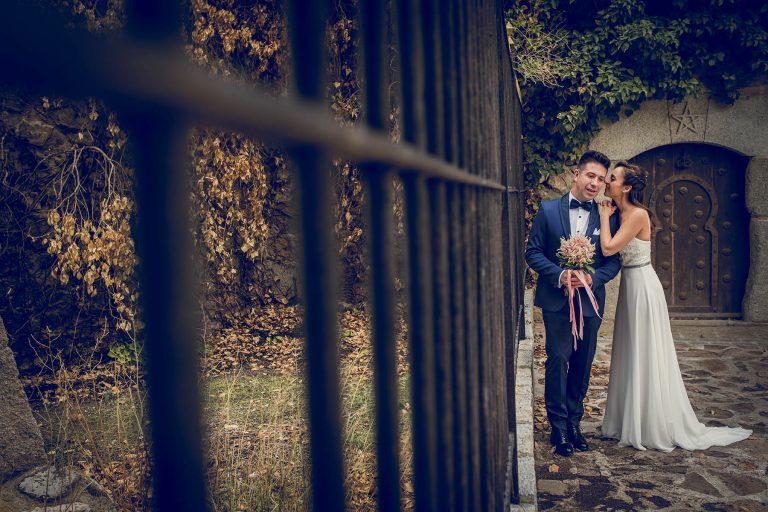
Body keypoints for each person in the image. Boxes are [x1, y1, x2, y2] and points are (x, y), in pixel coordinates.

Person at [597, 162, 752, 451]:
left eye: (613, 178)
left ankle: (649, 423)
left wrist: (604, 216)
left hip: (642, 286)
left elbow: (608, 248)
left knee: (645, 351)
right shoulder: (623, 211)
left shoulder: (636, 214)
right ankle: (626, 419)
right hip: (632, 286)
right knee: (631, 349)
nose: (607, 182)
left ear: (627, 187)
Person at [525, 150, 621, 457]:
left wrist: (593, 280)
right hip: (557, 301)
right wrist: (561, 274)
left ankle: (575, 424)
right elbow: (533, 252)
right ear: (575, 174)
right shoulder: (548, 210)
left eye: (601, 179)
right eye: (590, 175)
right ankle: (558, 427)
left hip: (591, 303)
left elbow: (613, 261)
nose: (595, 183)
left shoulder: (607, 215)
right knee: (558, 360)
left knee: (583, 362)